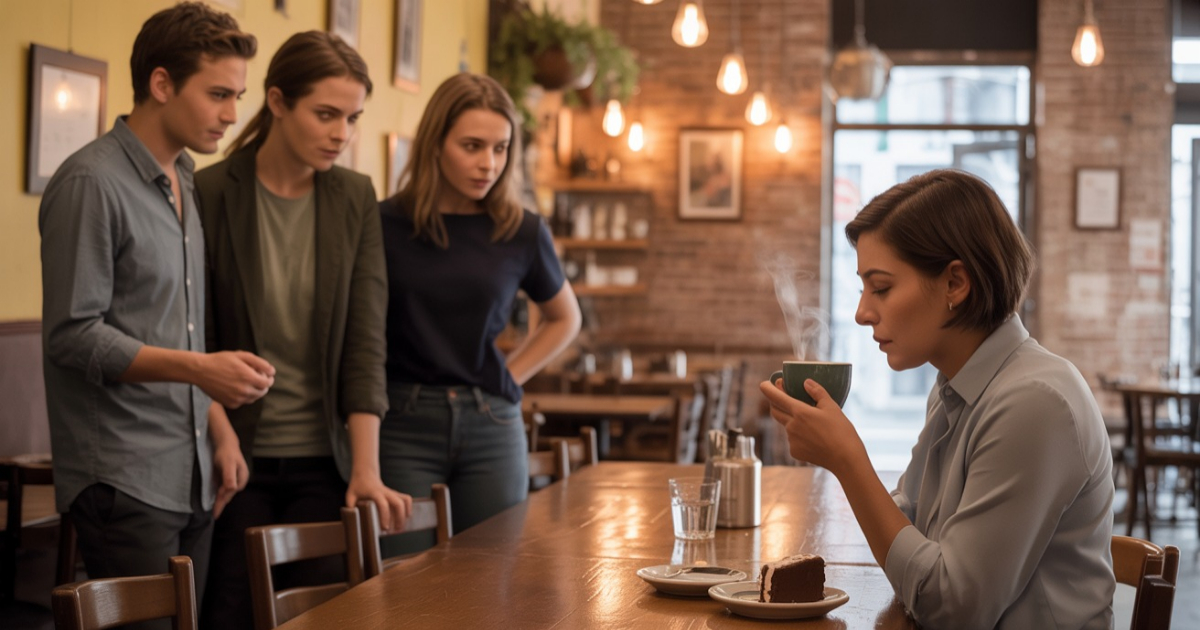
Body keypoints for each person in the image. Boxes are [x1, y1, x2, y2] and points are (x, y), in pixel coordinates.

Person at [760, 169, 1115, 629]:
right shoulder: (957, 384)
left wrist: (848, 461)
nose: (863, 312)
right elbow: (915, 520)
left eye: (881, 287)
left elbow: (953, 609)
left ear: (955, 284)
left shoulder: (1034, 402)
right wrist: (837, 451)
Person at [38, 2, 260, 619]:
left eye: (237, 95)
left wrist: (218, 427)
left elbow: (177, 325)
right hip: (123, 475)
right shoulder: (91, 182)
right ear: (161, 84)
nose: (233, 114)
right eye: (218, 94)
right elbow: (72, 337)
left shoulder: (185, 178)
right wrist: (199, 370)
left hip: (189, 470)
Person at [195, 31, 412, 630]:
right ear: (277, 102)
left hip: (327, 464)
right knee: (230, 614)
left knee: (327, 619)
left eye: (352, 117)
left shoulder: (353, 195)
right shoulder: (210, 190)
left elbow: (367, 339)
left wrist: (365, 469)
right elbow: (195, 336)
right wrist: (218, 436)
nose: (342, 132)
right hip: (235, 461)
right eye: (326, 114)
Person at [378, 73, 581, 551]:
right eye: (472, 146)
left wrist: (512, 377)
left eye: (500, 148)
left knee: (492, 581)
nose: (488, 164)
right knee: (400, 586)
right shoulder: (383, 223)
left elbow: (565, 317)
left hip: (491, 422)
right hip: (402, 422)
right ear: (435, 143)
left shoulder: (521, 230)